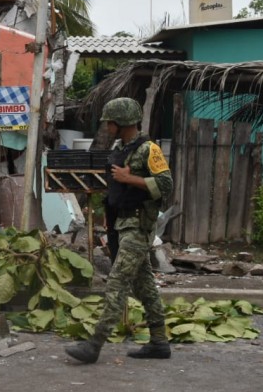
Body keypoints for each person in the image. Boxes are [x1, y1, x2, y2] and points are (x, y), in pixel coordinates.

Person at [65, 97, 173, 364]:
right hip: (122, 225)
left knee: (117, 282)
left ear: (122, 122)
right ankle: (159, 342)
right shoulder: (122, 148)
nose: (107, 126)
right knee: (144, 285)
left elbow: (166, 184)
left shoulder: (149, 149)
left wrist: (130, 179)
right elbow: (116, 190)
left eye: (110, 122)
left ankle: (94, 345)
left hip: (139, 226)